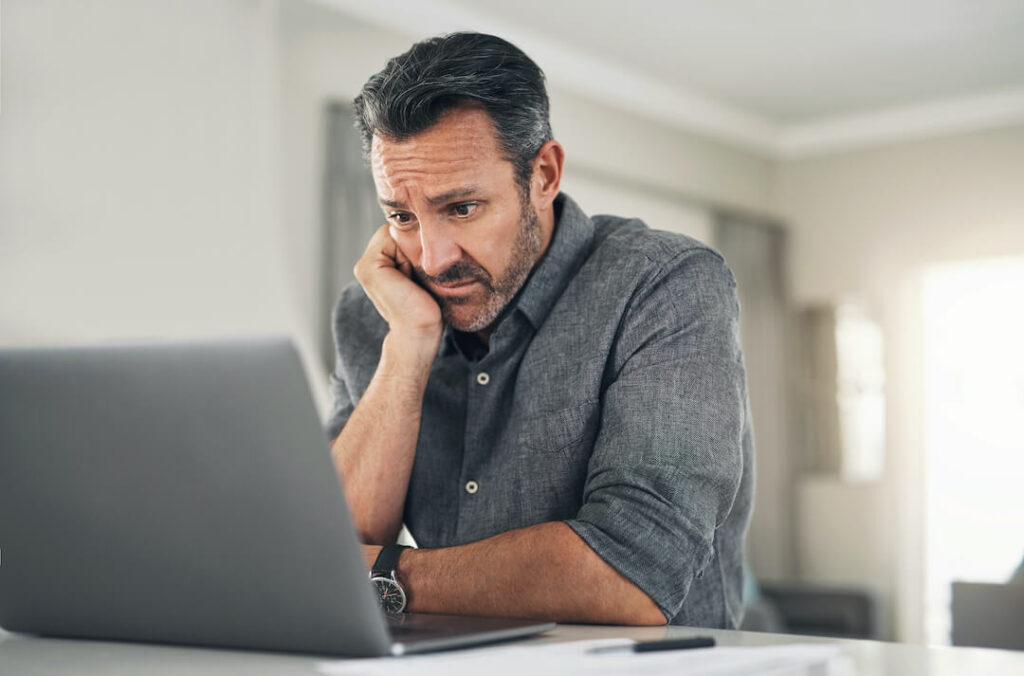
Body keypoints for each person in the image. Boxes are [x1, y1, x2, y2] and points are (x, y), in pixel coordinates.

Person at [326, 32, 754, 628]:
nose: (430, 257)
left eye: (461, 208)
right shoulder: (379, 309)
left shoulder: (665, 284)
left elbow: (634, 574)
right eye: (401, 216)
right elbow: (327, 547)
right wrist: (407, 345)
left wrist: (387, 575)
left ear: (544, 175)